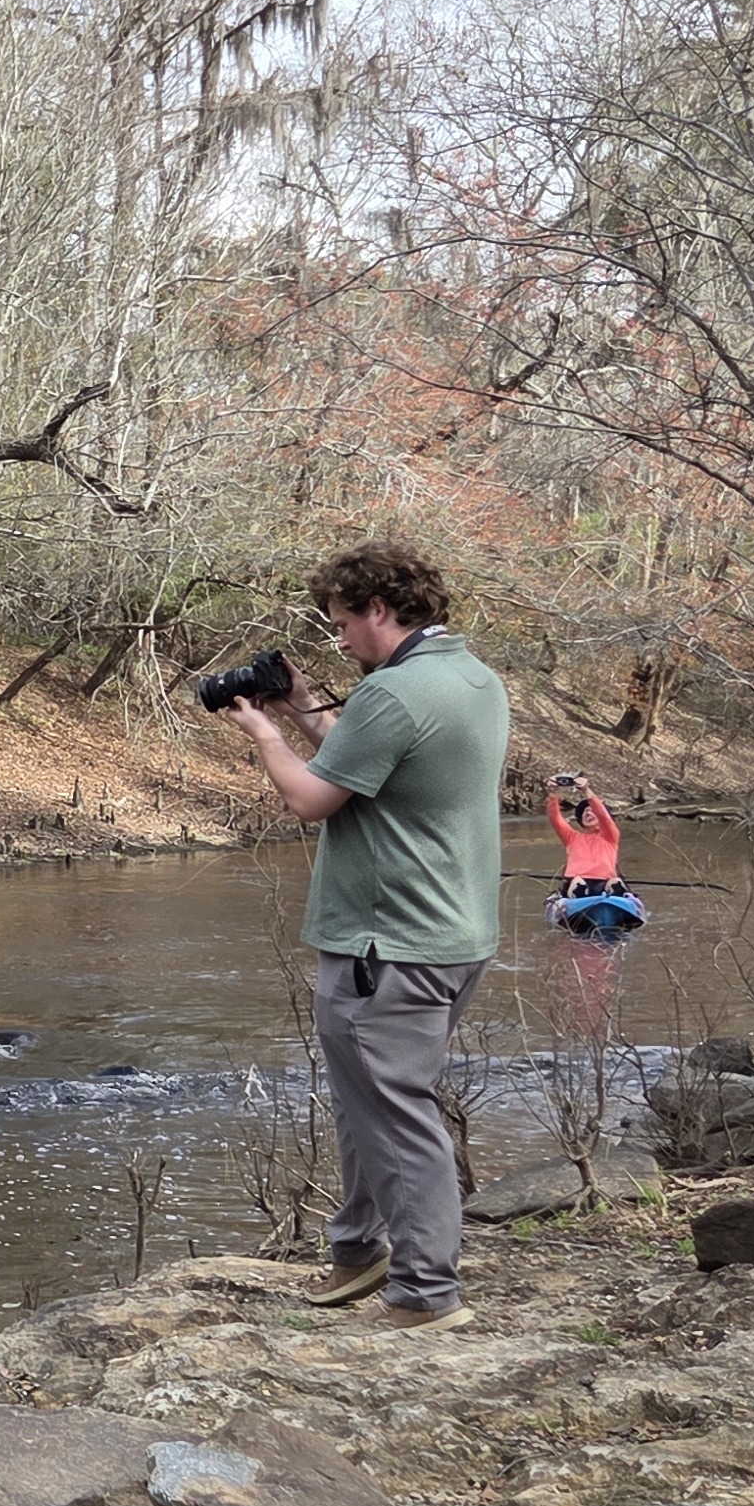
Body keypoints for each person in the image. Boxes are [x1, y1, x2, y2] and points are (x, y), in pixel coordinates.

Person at [214, 538, 510, 1333]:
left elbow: (314, 800)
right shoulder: (469, 678)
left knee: (393, 1112)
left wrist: (266, 737)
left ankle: (424, 1293)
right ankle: (358, 1248)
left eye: (343, 622)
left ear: (380, 609)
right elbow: (370, 760)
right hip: (454, 934)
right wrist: (306, 707)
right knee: (366, 1103)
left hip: (390, 944)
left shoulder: (395, 694)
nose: (339, 638)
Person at [546, 773, 625, 900]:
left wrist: (586, 791)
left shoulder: (610, 835)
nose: (588, 812)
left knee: (615, 882)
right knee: (578, 882)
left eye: (592, 810)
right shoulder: (572, 837)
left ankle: (616, 899)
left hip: (604, 883)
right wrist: (552, 794)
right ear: (580, 820)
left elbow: (604, 817)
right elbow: (555, 819)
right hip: (576, 883)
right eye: (585, 812)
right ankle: (578, 898)